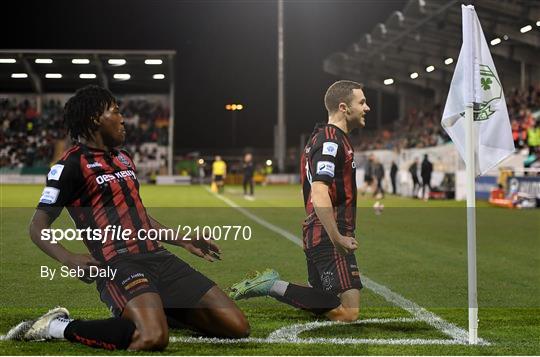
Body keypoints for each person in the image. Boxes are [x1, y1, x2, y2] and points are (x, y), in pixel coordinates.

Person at [6, 85, 249, 350]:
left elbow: (138, 218)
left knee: (236, 327)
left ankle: (153, 309)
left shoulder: (124, 158)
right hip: (118, 264)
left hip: (159, 258)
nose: (123, 119)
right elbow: (37, 226)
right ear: (94, 118)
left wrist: (182, 240)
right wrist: (69, 258)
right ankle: (56, 326)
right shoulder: (70, 166)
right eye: (116, 111)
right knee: (152, 338)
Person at [228, 80, 369, 322]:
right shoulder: (330, 141)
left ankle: (273, 286)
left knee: (321, 298)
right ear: (344, 107)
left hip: (318, 230)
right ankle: (270, 286)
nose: (367, 108)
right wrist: (337, 237)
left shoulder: (328, 138)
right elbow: (319, 191)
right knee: (349, 313)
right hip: (328, 232)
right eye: (362, 102)